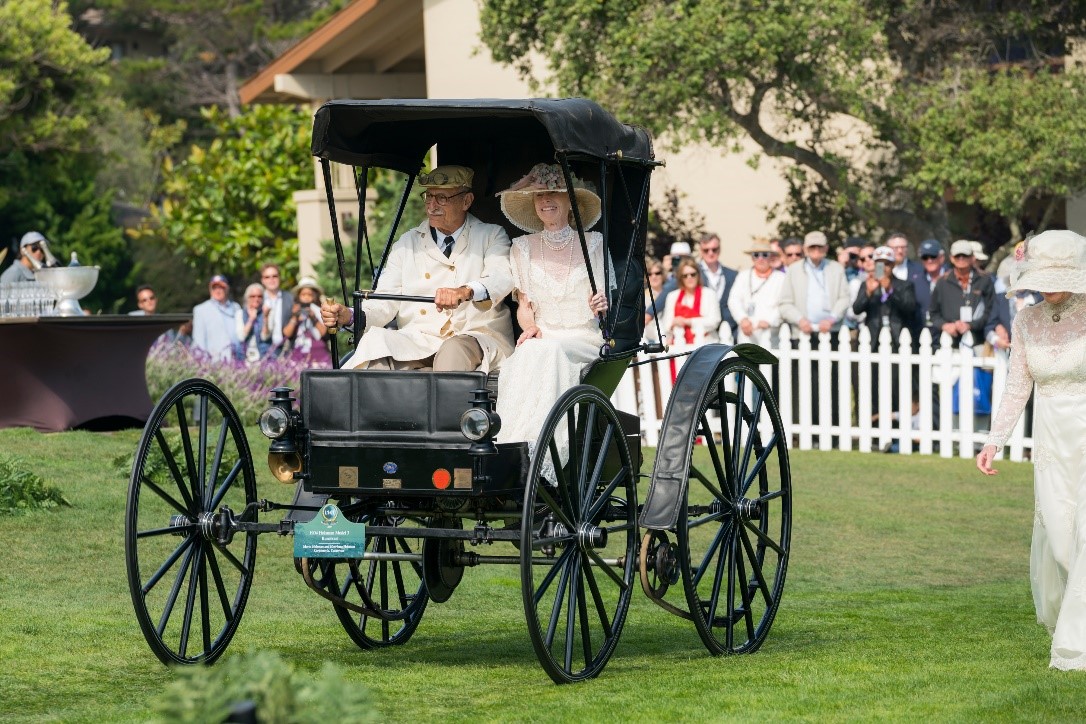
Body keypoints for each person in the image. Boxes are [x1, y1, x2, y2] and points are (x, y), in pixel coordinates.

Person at [976, 229, 1086, 671]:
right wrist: (994, 440)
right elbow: (1017, 385)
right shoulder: (1026, 321)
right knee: (1061, 543)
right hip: (1051, 441)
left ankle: (1075, 644)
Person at [321, 165, 514, 372]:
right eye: (428, 197)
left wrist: (465, 291)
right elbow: (384, 301)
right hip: (418, 338)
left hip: (473, 335)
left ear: (466, 201)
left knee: (452, 353)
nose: (432, 206)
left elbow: (500, 277)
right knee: (376, 350)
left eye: (442, 198)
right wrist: (349, 316)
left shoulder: (491, 235)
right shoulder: (407, 243)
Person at [491, 162, 609, 451]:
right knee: (529, 351)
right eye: (539, 196)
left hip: (583, 337)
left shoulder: (594, 243)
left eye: (554, 194)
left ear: (570, 201)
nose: (545, 200)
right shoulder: (522, 247)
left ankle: (545, 447)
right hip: (544, 336)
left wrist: (601, 303)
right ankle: (511, 443)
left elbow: (602, 300)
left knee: (549, 350)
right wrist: (529, 327)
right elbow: (524, 304)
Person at [778, 231, 850, 342]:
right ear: (805, 249)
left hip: (831, 331)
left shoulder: (836, 269)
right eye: (812, 247)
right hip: (802, 332)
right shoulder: (794, 270)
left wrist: (831, 319)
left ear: (826, 248)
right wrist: (800, 320)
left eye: (820, 246)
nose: (816, 250)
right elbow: (785, 303)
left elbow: (844, 298)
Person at [929, 240, 995, 349]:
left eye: (965, 255)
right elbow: (933, 313)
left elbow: (991, 310)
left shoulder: (984, 280)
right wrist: (945, 325)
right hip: (948, 342)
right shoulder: (942, 282)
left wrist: (970, 325)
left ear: (972, 257)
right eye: (957, 256)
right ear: (951, 258)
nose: (961, 258)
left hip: (978, 341)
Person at [851, 245, 916, 351]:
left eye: (887, 264)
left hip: (897, 339)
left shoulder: (905, 285)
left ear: (893, 265)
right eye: (879, 263)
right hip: (873, 340)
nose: (883, 267)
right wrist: (868, 292)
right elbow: (856, 309)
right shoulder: (867, 284)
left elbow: (909, 308)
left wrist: (890, 290)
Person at [727, 239, 784, 348]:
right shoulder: (743, 276)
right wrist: (742, 319)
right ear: (752, 258)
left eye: (765, 255)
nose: (760, 258)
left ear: (771, 256)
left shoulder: (780, 278)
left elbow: (783, 305)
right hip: (746, 338)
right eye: (756, 255)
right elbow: (733, 300)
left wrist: (769, 321)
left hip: (771, 340)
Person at [660, 257, 722, 346]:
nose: (689, 278)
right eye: (685, 276)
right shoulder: (672, 296)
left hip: (706, 343)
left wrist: (687, 321)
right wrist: (673, 323)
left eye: (693, 274)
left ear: (698, 275)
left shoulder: (709, 294)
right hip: (680, 344)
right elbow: (667, 323)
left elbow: (714, 321)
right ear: (681, 278)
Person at [696, 232, 738, 340]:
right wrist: (649, 314)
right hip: (704, 331)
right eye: (706, 250)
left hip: (729, 329)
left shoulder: (732, 275)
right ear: (701, 251)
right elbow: (669, 290)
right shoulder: (692, 273)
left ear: (720, 249)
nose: (710, 253)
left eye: (714, 249)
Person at [192, 274, 242, 362]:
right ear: (210, 289)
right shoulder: (201, 310)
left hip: (237, 361)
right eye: (214, 287)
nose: (218, 290)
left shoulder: (236, 307)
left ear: (227, 288)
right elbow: (199, 341)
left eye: (221, 287)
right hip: (215, 363)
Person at [285, 276, 332, 367]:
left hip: (320, 359)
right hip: (298, 359)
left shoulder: (321, 311)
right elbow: (287, 334)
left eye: (309, 295)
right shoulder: (293, 311)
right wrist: (295, 317)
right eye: (303, 295)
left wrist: (313, 318)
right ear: (298, 296)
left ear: (315, 296)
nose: (306, 298)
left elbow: (325, 334)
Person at [258, 263, 293, 356]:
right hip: (262, 349)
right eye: (267, 277)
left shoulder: (290, 298)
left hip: (285, 349)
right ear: (262, 280)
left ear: (279, 278)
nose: (271, 279)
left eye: (275, 276)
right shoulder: (257, 299)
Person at [235, 282, 271, 363]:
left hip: (263, 356)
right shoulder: (240, 313)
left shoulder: (267, 312)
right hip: (244, 357)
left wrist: (265, 317)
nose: (256, 299)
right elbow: (241, 337)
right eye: (252, 296)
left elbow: (265, 337)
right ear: (247, 298)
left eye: (259, 296)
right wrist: (251, 319)